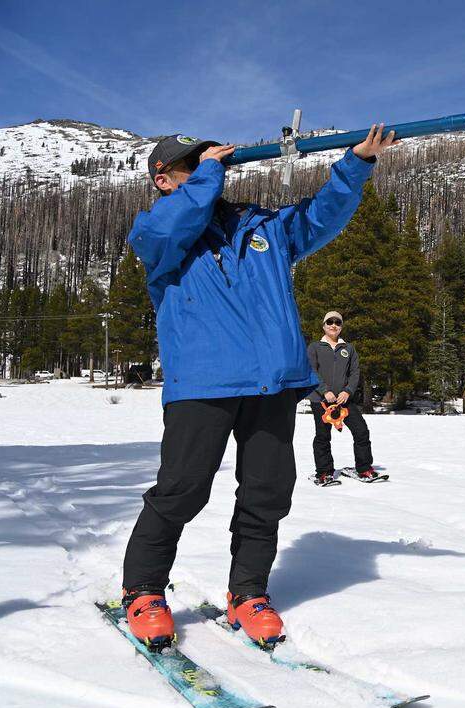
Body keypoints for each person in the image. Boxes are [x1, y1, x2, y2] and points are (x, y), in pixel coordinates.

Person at [121, 124, 395, 649]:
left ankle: (248, 592)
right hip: (202, 383)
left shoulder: (261, 225)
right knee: (181, 490)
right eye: (194, 164)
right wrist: (207, 177)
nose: (209, 169)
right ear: (162, 179)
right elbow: (169, 228)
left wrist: (357, 162)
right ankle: (144, 590)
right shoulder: (157, 231)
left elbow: (321, 216)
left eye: (211, 161)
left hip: (272, 382)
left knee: (267, 493)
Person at [307, 310, 381, 485]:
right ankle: (324, 472)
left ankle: (364, 469)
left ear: (341, 327)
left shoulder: (348, 348)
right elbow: (311, 370)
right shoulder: (315, 347)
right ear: (324, 325)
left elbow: (355, 372)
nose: (334, 325)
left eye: (338, 322)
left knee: (361, 431)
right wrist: (325, 390)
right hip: (321, 400)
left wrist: (347, 391)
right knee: (323, 436)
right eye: (330, 322)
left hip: (344, 400)